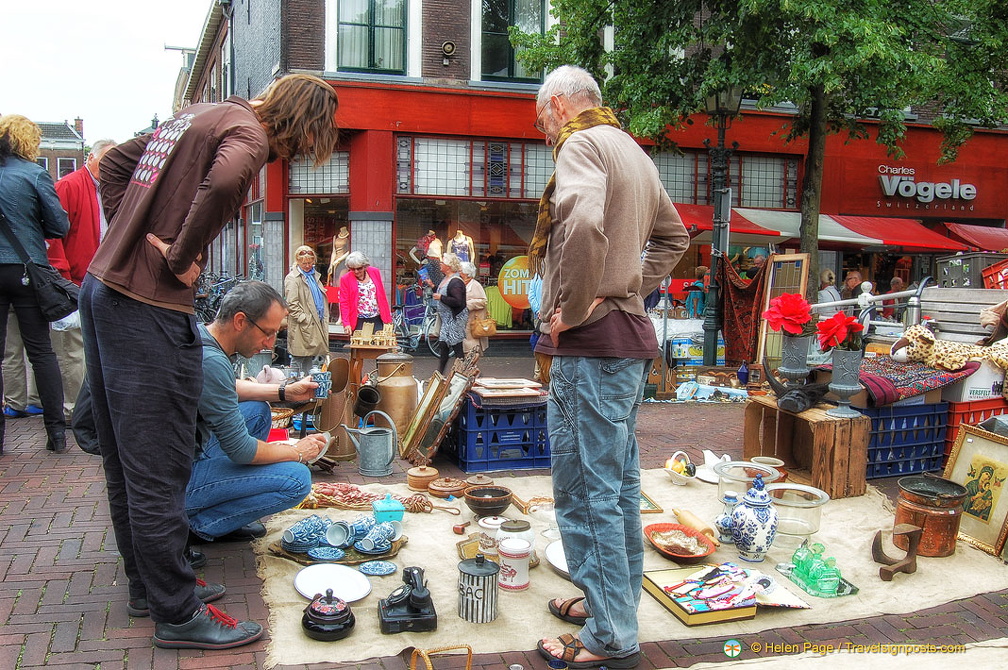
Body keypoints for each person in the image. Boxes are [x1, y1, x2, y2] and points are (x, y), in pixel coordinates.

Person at [81, 73, 339, 650]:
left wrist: (132, 229)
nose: (284, 160)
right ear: (299, 127)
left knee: (127, 464)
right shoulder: (247, 136)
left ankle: (151, 589)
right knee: (157, 468)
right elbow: (225, 178)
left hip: (103, 289)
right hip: (143, 303)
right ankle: (177, 613)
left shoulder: (200, 114)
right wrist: (177, 255)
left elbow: (114, 165)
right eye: (297, 150)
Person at [529, 66, 689, 669]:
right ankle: (612, 610)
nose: (543, 129)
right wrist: (628, 289)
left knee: (584, 490)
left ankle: (611, 634)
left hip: (592, 348)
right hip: (626, 344)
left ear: (561, 103)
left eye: (542, 115)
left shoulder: (581, 142)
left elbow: (584, 223)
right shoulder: (635, 153)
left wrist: (572, 307)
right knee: (618, 485)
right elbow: (674, 239)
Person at [187, 281, 327, 542]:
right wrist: (297, 452)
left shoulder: (203, 336)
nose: (270, 343)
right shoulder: (212, 361)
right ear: (240, 321)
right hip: (177, 481)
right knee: (297, 479)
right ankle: (198, 525)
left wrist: (285, 391)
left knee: (256, 410)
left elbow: (228, 387)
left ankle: (219, 510)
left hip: (186, 458)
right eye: (267, 332)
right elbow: (242, 451)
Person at [0, 114, 70, 454]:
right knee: (41, 351)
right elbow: (59, 226)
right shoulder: (34, 175)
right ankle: (56, 435)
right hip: (27, 271)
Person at [46, 138, 118, 421]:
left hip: (99, 278)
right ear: (91, 158)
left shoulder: (110, 188)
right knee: (74, 347)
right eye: (105, 161)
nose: (110, 167)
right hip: (75, 279)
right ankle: (75, 410)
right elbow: (53, 233)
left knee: (90, 346)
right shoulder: (69, 186)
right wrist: (62, 275)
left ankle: (88, 407)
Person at [284, 245, 330, 374]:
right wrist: (304, 319)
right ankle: (292, 385)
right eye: (304, 263)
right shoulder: (293, 278)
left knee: (309, 357)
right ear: (298, 261)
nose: (308, 266)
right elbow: (292, 303)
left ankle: (305, 384)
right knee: (298, 357)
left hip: (314, 322)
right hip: (302, 325)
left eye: (310, 263)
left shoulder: (314, 276)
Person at [337, 250, 392, 334]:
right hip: (358, 320)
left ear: (365, 266)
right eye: (352, 268)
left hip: (376, 318)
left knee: (378, 345)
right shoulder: (345, 279)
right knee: (359, 346)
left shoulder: (374, 272)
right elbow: (344, 302)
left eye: (359, 268)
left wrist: (388, 318)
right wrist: (346, 323)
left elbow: (382, 296)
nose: (356, 271)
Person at [432, 252, 468, 374]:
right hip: (447, 319)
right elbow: (443, 293)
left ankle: (464, 373)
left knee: (456, 347)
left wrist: (441, 297)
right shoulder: (446, 279)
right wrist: (432, 287)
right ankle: (440, 374)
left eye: (442, 262)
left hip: (455, 318)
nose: (440, 264)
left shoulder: (456, 282)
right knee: (443, 345)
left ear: (449, 265)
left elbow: (457, 301)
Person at [460, 261, 488, 354]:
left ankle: (470, 365)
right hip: (464, 320)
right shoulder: (462, 284)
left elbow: (483, 301)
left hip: (473, 320)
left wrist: (468, 304)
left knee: (472, 346)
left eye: (461, 271)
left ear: (467, 273)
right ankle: (467, 366)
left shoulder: (475, 285)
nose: (459, 273)